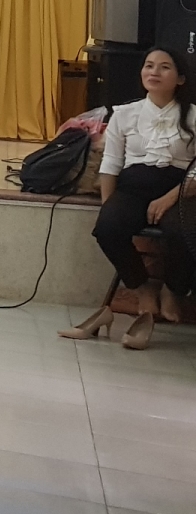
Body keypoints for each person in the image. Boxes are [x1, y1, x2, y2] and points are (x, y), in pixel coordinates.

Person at [60, 48, 196, 350]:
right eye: (149, 66)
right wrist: (110, 206)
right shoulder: (124, 113)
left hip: (182, 190)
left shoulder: (194, 116)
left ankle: (173, 290)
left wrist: (171, 198)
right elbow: (111, 165)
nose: (154, 72)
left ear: (181, 78)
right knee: (108, 228)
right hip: (134, 187)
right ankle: (141, 287)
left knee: (185, 232)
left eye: (164, 67)